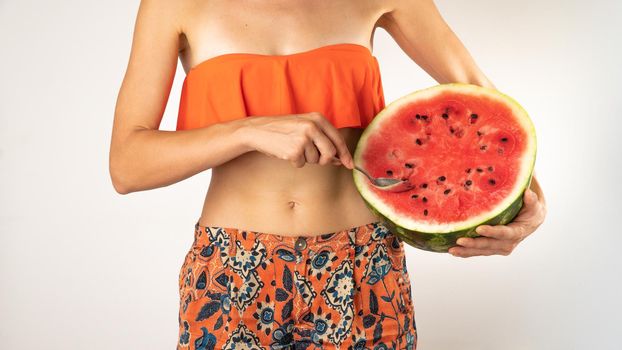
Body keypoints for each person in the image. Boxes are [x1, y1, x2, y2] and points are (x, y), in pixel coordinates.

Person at [109, 0, 547, 349]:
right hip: (230, 265)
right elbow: (127, 165)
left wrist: (531, 205)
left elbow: (485, 106)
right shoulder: (172, 4)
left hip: (362, 262)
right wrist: (246, 130)